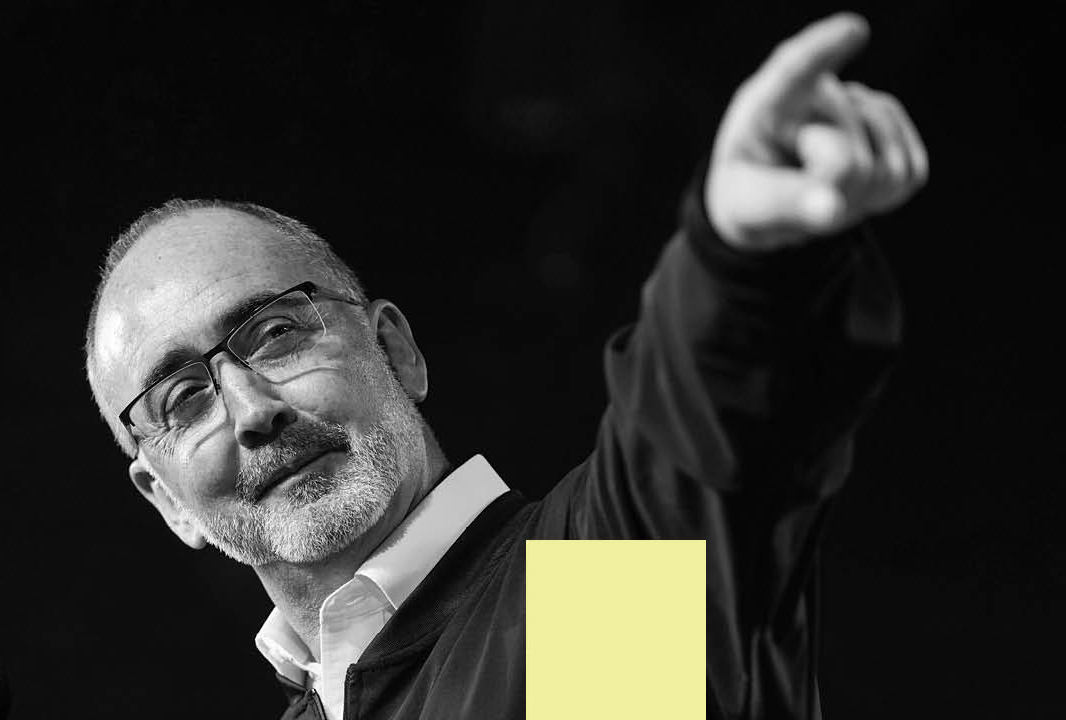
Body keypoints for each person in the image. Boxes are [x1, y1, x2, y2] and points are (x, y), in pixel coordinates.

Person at [82, 12, 926, 720]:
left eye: (274, 335)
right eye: (184, 397)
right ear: (165, 499)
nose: (251, 409)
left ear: (396, 350)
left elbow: (704, 442)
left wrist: (743, 264)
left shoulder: (587, 615)